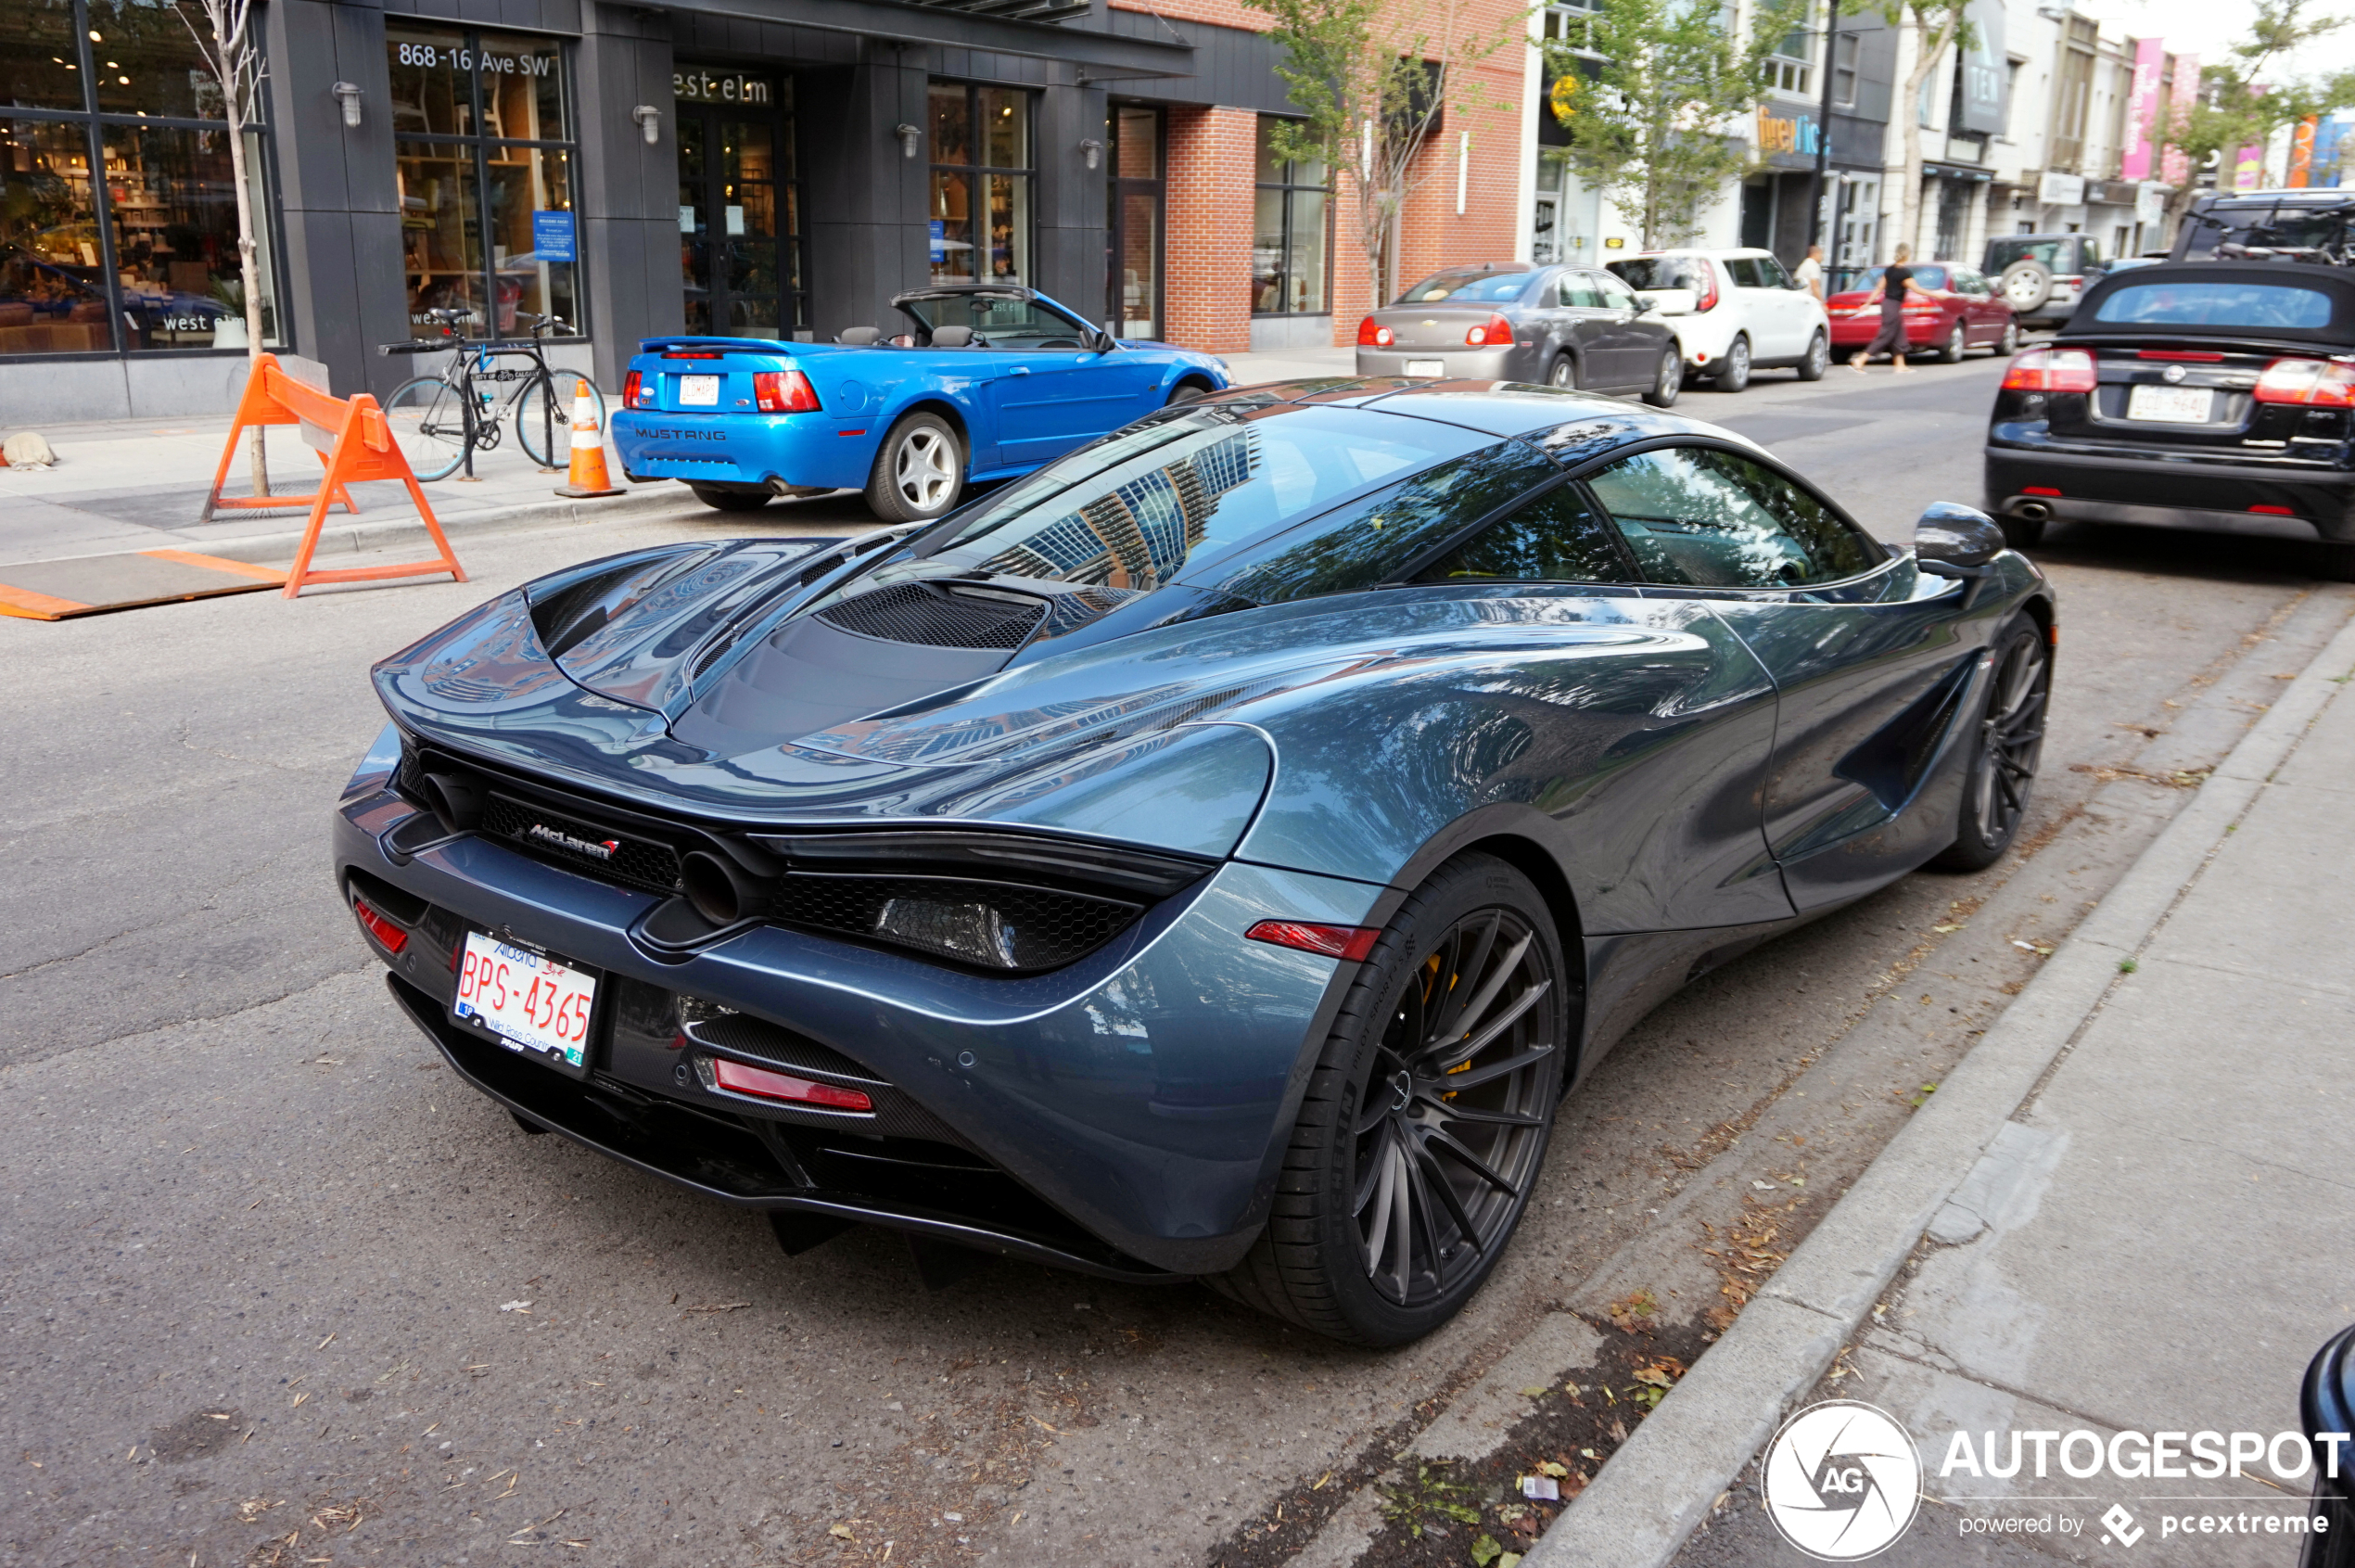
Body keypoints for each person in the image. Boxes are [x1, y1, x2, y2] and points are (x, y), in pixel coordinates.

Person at [1850, 244, 1936, 374]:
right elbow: (1916, 289)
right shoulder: (1904, 272)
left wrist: (1867, 303)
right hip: (1893, 305)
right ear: (1907, 255)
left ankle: (1900, 365)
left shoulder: (1889, 270)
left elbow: (1879, 288)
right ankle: (1860, 360)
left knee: (1899, 335)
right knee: (1885, 335)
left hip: (1887, 304)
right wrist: (1936, 294)